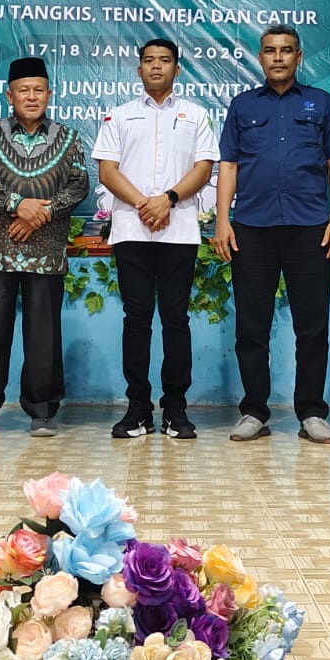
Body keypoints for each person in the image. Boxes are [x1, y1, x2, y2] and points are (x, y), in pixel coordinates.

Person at [213, 24, 330, 445]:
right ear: (260, 57)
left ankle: (311, 413)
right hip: (252, 228)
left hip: (310, 228)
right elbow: (229, 166)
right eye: (270, 50)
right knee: (252, 327)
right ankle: (254, 411)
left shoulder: (320, 103)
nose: (277, 57)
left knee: (313, 326)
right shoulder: (242, 105)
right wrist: (221, 220)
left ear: (298, 56)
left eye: (286, 51)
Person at [92, 39, 218, 440]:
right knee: (137, 319)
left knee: (176, 319)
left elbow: (203, 168)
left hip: (179, 231)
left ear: (177, 69)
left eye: (165, 61)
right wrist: (144, 205)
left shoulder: (195, 115)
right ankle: (138, 408)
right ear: (139, 69)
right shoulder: (119, 116)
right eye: (149, 61)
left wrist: (168, 200)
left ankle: (176, 408)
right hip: (131, 230)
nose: (157, 67)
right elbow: (107, 173)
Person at [0, 56, 90, 437]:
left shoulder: (68, 137)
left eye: (38, 90)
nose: (31, 97)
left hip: (46, 250)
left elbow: (79, 185)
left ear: (49, 94)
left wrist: (41, 213)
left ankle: (42, 411)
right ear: (9, 95)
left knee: (43, 336)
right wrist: (18, 204)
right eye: (23, 91)